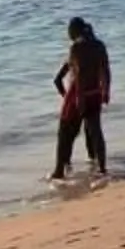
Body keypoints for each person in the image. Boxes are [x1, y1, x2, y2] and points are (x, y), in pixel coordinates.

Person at [52, 17, 111, 180]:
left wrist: (75, 98)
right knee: (96, 131)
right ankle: (102, 168)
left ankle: (59, 171)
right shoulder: (99, 46)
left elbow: (77, 75)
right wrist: (106, 91)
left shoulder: (76, 48)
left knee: (64, 133)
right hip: (95, 93)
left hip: (78, 95)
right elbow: (105, 70)